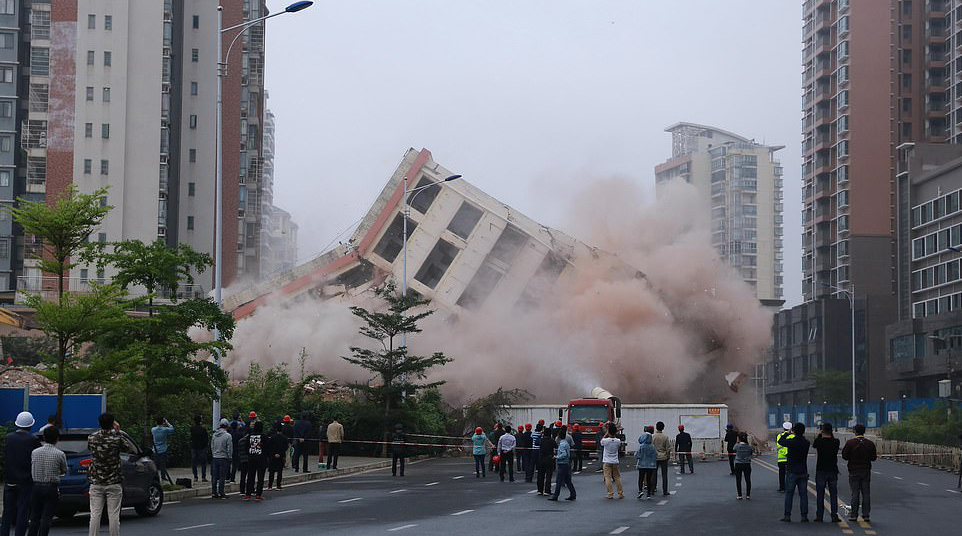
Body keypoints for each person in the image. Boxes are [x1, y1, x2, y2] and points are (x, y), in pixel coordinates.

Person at [2, 411, 40, 536]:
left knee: (7, 512)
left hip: (10, 479)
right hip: (25, 480)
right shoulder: (33, 439)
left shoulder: (8, 438)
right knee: (22, 511)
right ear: (30, 425)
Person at [88, 412, 123, 536]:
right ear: (113, 424)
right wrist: (118, 431)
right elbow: (128, 448)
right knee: (113, 514)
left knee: (95, 514)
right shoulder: (117, 439)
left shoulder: (92, 438)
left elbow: (90, 449)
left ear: (99, 423)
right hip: (114, 481)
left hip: (96, 481)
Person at [28, 426, 66, 536]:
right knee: (46, 517)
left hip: (35, 486)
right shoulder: (60, 454)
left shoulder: (34, 452)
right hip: (51, 487)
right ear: (57, 438)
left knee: (34, 516)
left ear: (44, 437)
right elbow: (64, 469)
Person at [841, 424, 877, 523]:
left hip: (853, 471)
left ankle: (854, 515)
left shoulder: (850, 443)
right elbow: (873, 458)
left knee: (855, 493)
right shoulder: (870, 443)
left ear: (855, 431)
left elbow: (844, 456)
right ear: (864, 431)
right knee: (866, 493)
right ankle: (866, 515)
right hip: (866, 470)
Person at [778, 422, 811, 523]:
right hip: (803, 470)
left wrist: (787, 433)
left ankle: (787, 515)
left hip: (792, 470)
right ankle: (804, 516)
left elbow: (780, 441)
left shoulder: (792, 442)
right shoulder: (806, 443)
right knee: (803, 495)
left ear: (794, 431)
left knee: (789, 494)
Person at [812, 422, 841, 523]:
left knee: (820, 494)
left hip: (821, 470)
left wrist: (820, 434)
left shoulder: (819, 441)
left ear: (823, 430)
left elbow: (814, 445)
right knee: (833, 494)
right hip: (832, 470)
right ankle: (834, 515)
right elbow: (832, 440)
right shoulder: (836, 442)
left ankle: (819, 516)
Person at [549, 425, 576, 501]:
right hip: (567, 463)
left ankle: (556, 495)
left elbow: (564, 454)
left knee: (559, 480)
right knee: (567, 480)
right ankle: (573, 493)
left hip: (562, 463)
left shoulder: (562, 445)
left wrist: (557, 457)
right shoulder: (566, 443)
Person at [244, 421, 268, 501]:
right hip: (261, 458)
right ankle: (258, 494)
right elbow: (267, 447)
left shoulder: (249, 436)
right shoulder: (264, 436)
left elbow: (246, 446)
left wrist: (249, 453)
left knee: (250, 476)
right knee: (260, 477)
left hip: (251, 457)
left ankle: (248, 494)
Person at [211, 418, 233, 499]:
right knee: (222, 476)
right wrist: (230, 457)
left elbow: (212, 446)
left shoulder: (214, 435)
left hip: (215, 457)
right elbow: (229, 448)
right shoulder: (228, 436)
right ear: (227, 426)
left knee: (214, 476)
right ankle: (221, 492)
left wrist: (214, 454)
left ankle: (214, 492)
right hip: (223, 457)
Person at [601, 423, 623, 499]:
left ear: (609, 432)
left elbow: (601, 441)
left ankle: (610, 493)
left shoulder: (605, 441)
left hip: (607, 461)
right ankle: (620, 493)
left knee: (608, 478)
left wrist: (606, 433)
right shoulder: (618, 441)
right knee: (617, 477)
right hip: (615, 461)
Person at [151, 417, 175, 485]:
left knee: (155, 464)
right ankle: (163, 477)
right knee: (163, 464)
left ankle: (155, 477)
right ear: (163, 422)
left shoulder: (153, 429)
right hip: (163, 449)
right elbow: (172, 429)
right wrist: (167, 422)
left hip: (155, 449)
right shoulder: (165, 430)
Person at [266, 422, 289, 490]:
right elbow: (285, 447)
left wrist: (274, 453)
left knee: (272, 471)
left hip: (273, 456)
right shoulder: (284, 438)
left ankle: (270, 486)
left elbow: (269, 447)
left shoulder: (272, 437)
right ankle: (278, 485)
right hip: (281, 456)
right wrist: (280, 453)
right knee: (280, 471)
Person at [635, 430, 656, 500]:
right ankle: (649, 494)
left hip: (642, 464)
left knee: (641, 478)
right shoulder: (652, 446)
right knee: (649, 479)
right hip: (651, 465)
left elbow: (637, 455)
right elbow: (655, 455)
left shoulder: (641, 446)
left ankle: (640, 490)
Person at [652, 421, 671, 496]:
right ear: (663, 428)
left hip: (655, 457)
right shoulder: (665, 437)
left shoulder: (653, 437)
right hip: (663, 457)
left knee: (654, 474)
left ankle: (653, 489)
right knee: (664, 475)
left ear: (656, 427)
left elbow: (651, 447)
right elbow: (668, 449)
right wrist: (668, 456)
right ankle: (665, 490)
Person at [189, 415, 209, 483]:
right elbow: (206, 439)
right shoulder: (203, 429)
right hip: (202, 447)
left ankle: (195, 477)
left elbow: (191, 438)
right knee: (203, 462)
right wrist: (205, 446)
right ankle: (203, 477)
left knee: (194, 462)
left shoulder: (192, 429)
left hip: (194, 447)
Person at [733, 431, 753, 500]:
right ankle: (748, 495)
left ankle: (739, 495)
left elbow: (733, 449)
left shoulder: (737, 445)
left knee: (738, 480)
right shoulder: (749, 446)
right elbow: (751, 453)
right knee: (748, 480)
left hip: (738, 464)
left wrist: (737, 442)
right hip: (747, 464)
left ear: (739, 438)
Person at [537, 428, 557, 495]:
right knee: (548, 475)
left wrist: (540, 436)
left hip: (541, 458)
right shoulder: (551, 440)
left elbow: (536, 442)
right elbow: (556, 445)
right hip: (549, 458)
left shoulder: (541, 440)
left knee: (540, 475)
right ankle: (547, 490)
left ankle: (540, 490)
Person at [775, 421, 793, 492]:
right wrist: (788, 454)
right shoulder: (793, 436)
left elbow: (779, 447)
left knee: (781, 474)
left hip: (781, 459)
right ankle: (790, 488)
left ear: (783, 428)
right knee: (790, 474)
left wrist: (784, 453)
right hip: (790, 459)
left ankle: (782, 488)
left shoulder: (779, 436)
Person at [228, 416, 245, 483]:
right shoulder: (239, 434)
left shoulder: (229, 434)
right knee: (234, 465)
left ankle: (227, 476)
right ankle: (232, 478)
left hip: (230, 449)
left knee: (228, 464)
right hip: (236, 450)